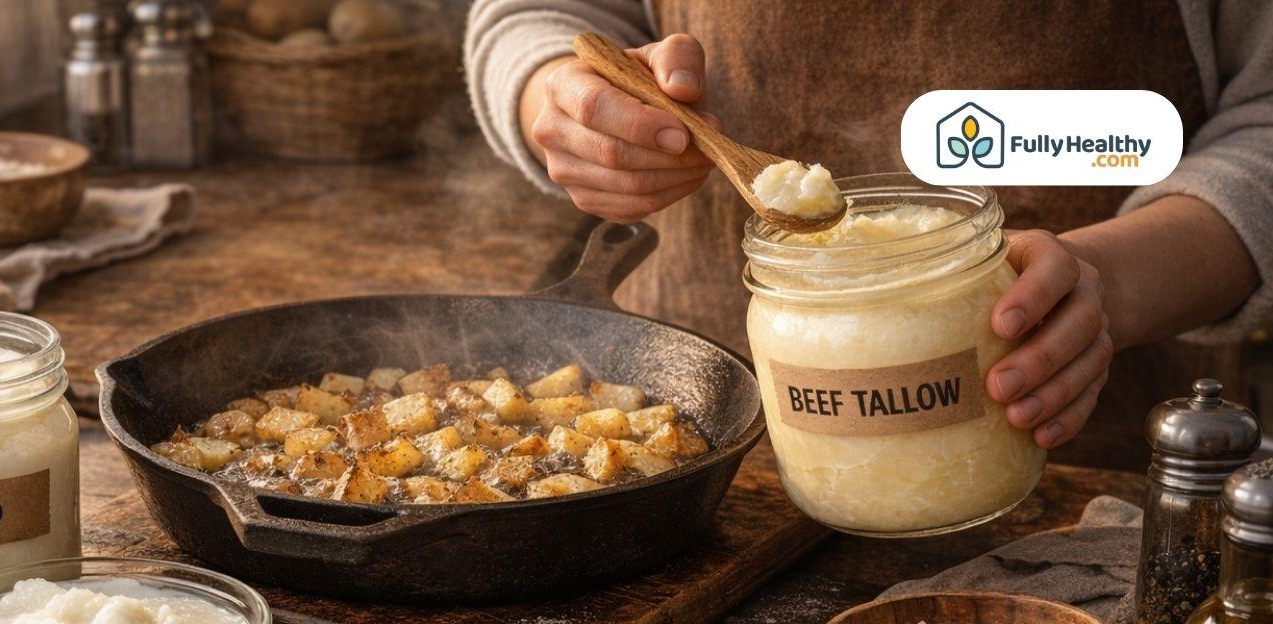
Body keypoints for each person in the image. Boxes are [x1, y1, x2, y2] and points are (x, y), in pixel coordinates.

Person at [465, 1, 1271, 468]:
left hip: (1102, 479)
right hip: (703, 461)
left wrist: (1111, 282)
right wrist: (563, 106)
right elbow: (538, 14)